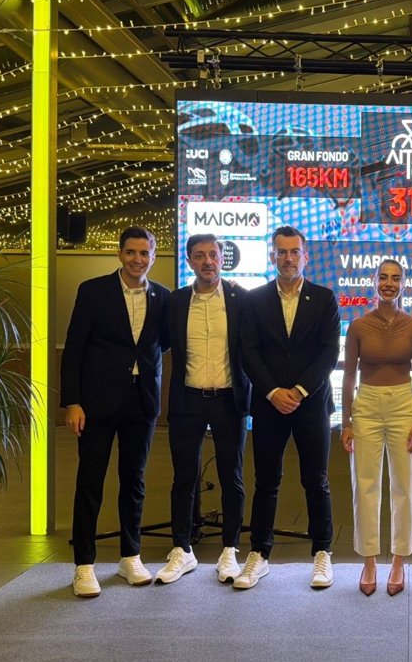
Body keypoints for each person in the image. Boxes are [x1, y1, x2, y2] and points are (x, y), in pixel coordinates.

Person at [61, 226, 171, 598]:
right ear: (120, 254)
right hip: (96, 404)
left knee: (134, 482)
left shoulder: (162, 297)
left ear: (152, 256)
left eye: (144, 253)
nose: (137, 259)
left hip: (142, 403)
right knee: (90, 482)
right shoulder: (93, 291)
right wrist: (73, 402)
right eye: (131, 252)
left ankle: (130, 556)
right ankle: (84, 564)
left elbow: (161, 344)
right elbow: (74, 348)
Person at [235, 226, 341, 590]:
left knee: (316, 481)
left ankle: (322, 553)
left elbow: (329, 351)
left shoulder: (324, 298)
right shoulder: (255, 299)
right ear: (272, 257)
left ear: (305, 257)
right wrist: (272, 392)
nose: (288, 258)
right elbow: (248, 351)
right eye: (281, 252)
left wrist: (297, 390)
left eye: (295, 252)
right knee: (266, 481)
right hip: (269, 405)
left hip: (311, 403)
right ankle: (258, 554)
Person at [157, 234, 251, 585]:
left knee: (232, 476)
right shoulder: (176, 301)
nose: (208, 261)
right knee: (184, 477)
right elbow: (159, 342)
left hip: (229, 400)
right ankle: (182, 549)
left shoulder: (241, 298)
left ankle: (230, 550)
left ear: (223, 258)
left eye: (213, 254)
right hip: (188, 399)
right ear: (190, 261)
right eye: (199, 255)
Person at [339, 259, 412, 596]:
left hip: (404, 405)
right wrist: (346, 422)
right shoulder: (358, 326)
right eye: (383, 278)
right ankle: (370, 560)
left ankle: (399, 561)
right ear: (374, 281)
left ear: (404, 284)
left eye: (396, 278)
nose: (389, 283)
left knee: (405, 484)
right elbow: (349, 374)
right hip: (367, 407)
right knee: (365, 485)